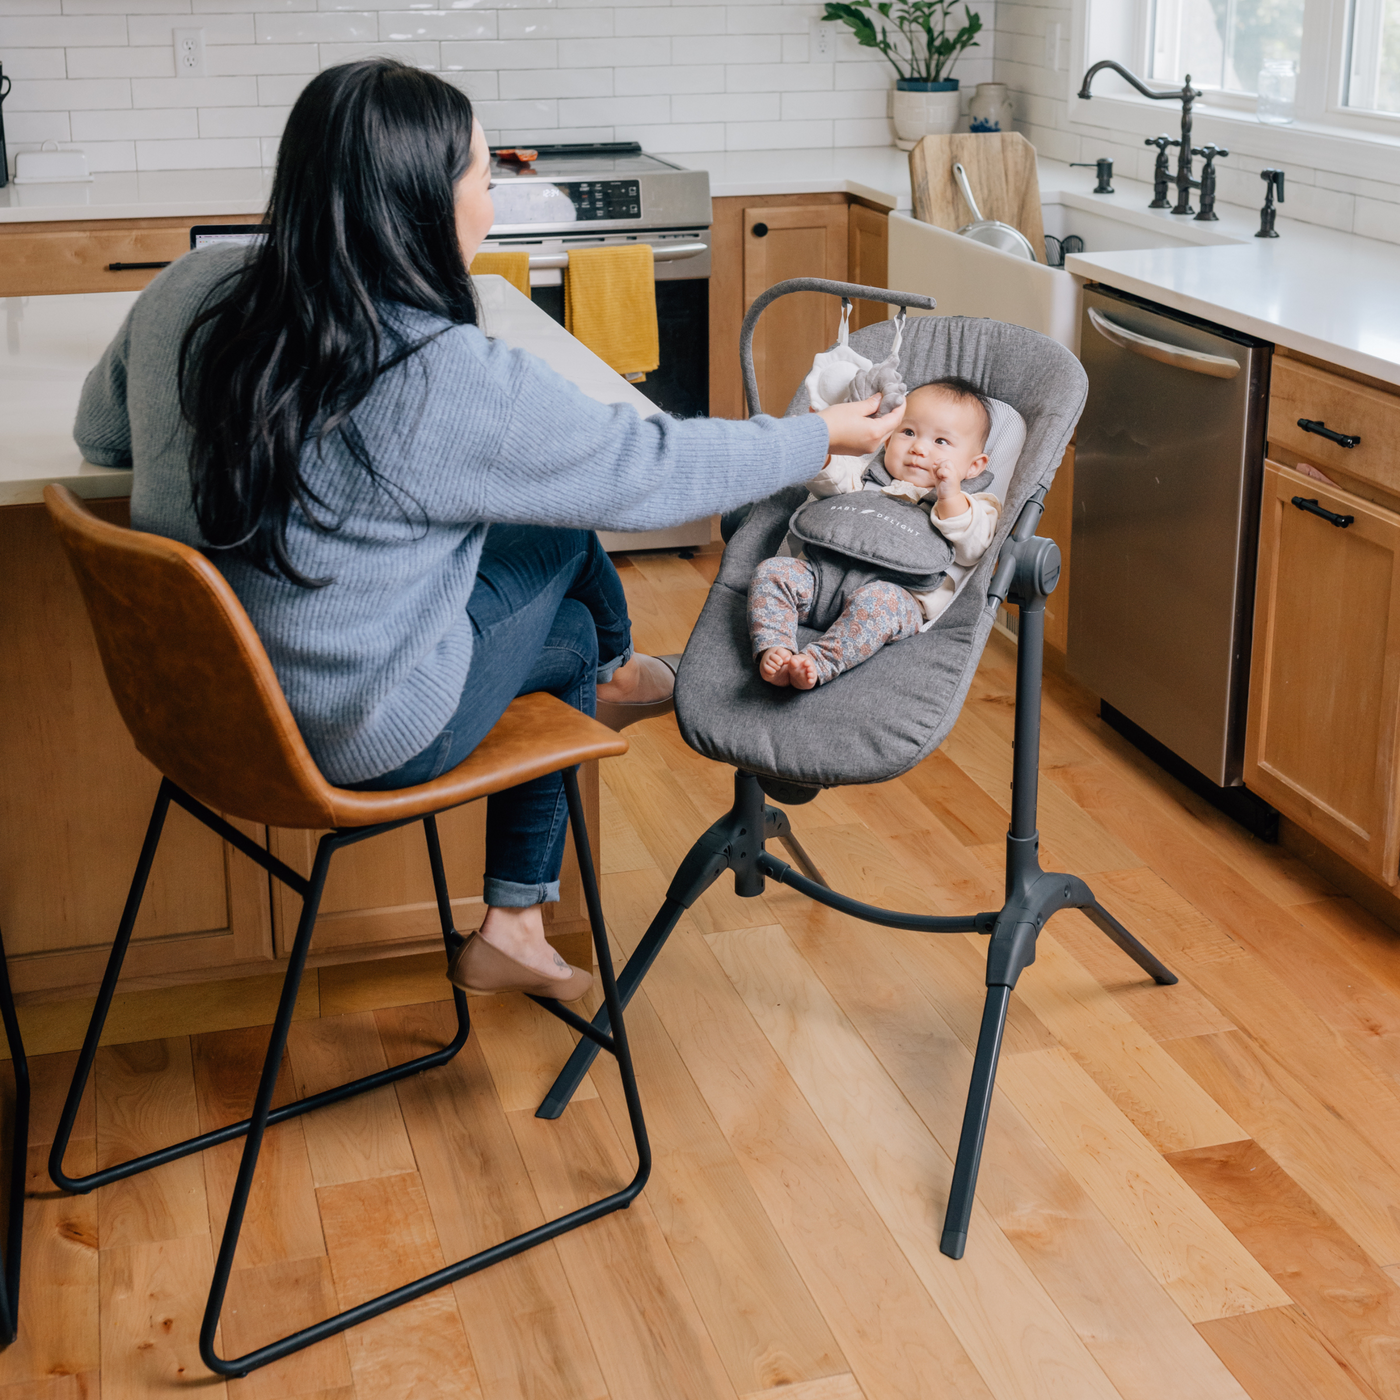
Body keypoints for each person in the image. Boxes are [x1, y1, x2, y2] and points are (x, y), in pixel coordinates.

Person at [72, 59, 903, 1001]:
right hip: (351, 733)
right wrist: (816, 437)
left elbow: (99, 434)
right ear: (423, 203)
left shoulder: (194, 286)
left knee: (544, 561)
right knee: (567, 588)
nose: (494, 201)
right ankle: (606, 699)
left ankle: (525, 902)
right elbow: (649, 469)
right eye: (482, 175)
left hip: (199, 710)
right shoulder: (442, 372)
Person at [748, 378, 1001, 690]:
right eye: (908, 433)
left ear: (974, 466)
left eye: (941, 442)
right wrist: (822, 451)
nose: (919, 448)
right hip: (820, 582)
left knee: (880, 603)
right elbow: (833, 482)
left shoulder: (976, 506)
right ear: (887, 440)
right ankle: (776, 646)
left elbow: (973, 548)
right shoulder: (867, 475)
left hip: (893, 599)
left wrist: (950, 496)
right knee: (773, 571)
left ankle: (818, 661)